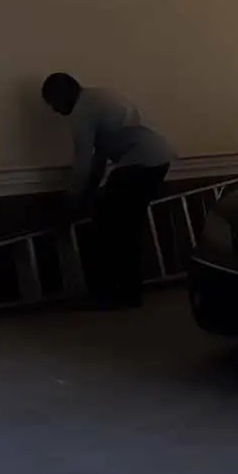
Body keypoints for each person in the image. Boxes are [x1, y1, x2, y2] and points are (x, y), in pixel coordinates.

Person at [41, 72, 175, 310]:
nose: (56, 111)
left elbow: (83, 162)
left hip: (140, 160)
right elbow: (99, 159)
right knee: (126, 227)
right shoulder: (97, 98)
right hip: (159, 157)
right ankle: (128, 292)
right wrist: (89, 192)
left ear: (64, 95)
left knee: (113, 226)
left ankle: (112, 291)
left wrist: (71, 200)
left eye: (54, 103)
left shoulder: (82, 112)